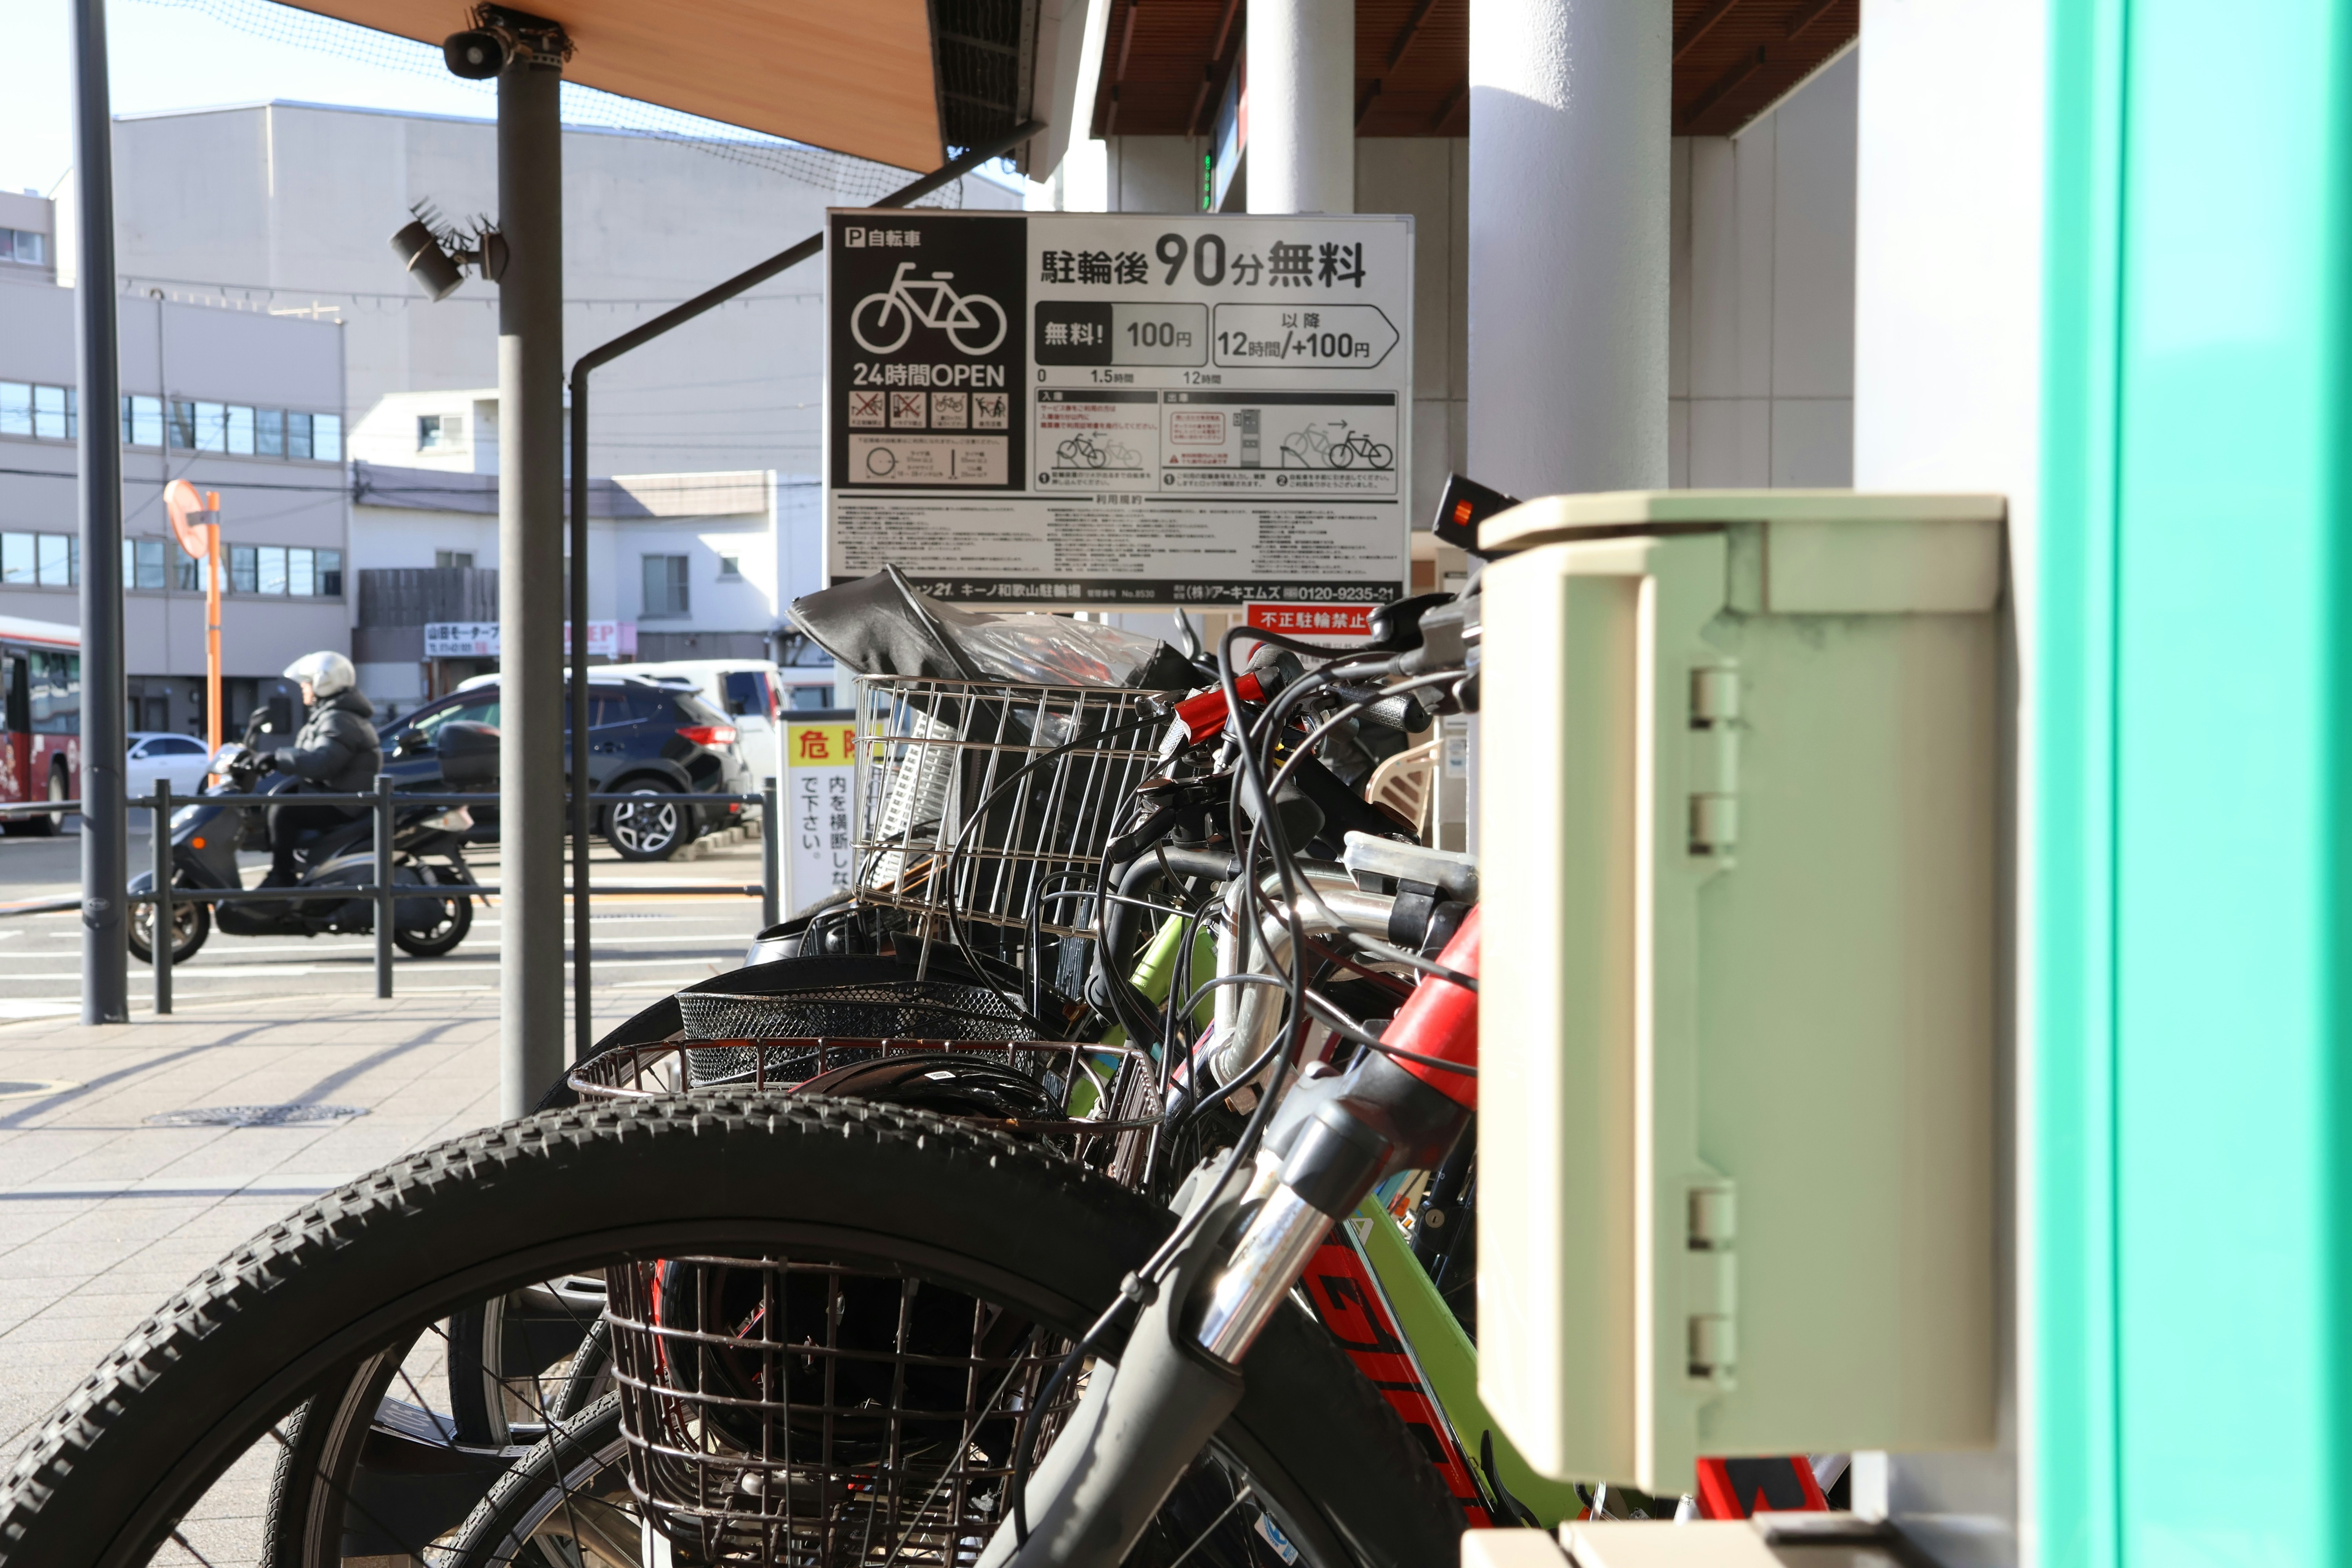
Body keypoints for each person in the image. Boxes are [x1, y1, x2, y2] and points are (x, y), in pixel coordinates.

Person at [261, 652, 380, 887]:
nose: (304, 688)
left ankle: (282, 876)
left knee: (283, 811)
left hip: (345, 803)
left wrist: (277, 759)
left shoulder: (339, 719)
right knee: (281, 799)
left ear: (323, 683)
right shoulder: (333, 715)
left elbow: (322, 764)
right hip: (339, 796)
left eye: (307, 683)